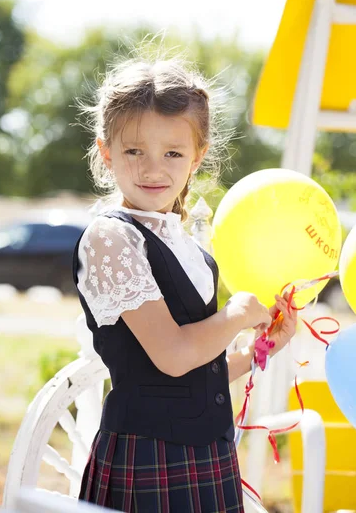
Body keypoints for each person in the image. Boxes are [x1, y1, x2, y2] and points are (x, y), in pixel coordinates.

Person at [73, 55, 297, 512]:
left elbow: (196, 372)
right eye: (135, 151)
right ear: (107, 151)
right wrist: (235, 315)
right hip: (148, 456)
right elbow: (173, 356)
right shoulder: (111, 238)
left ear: (198, 155)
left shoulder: (183, 241)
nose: (154, 169)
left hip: (207, 454)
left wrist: (261, 348)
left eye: (173, 153)